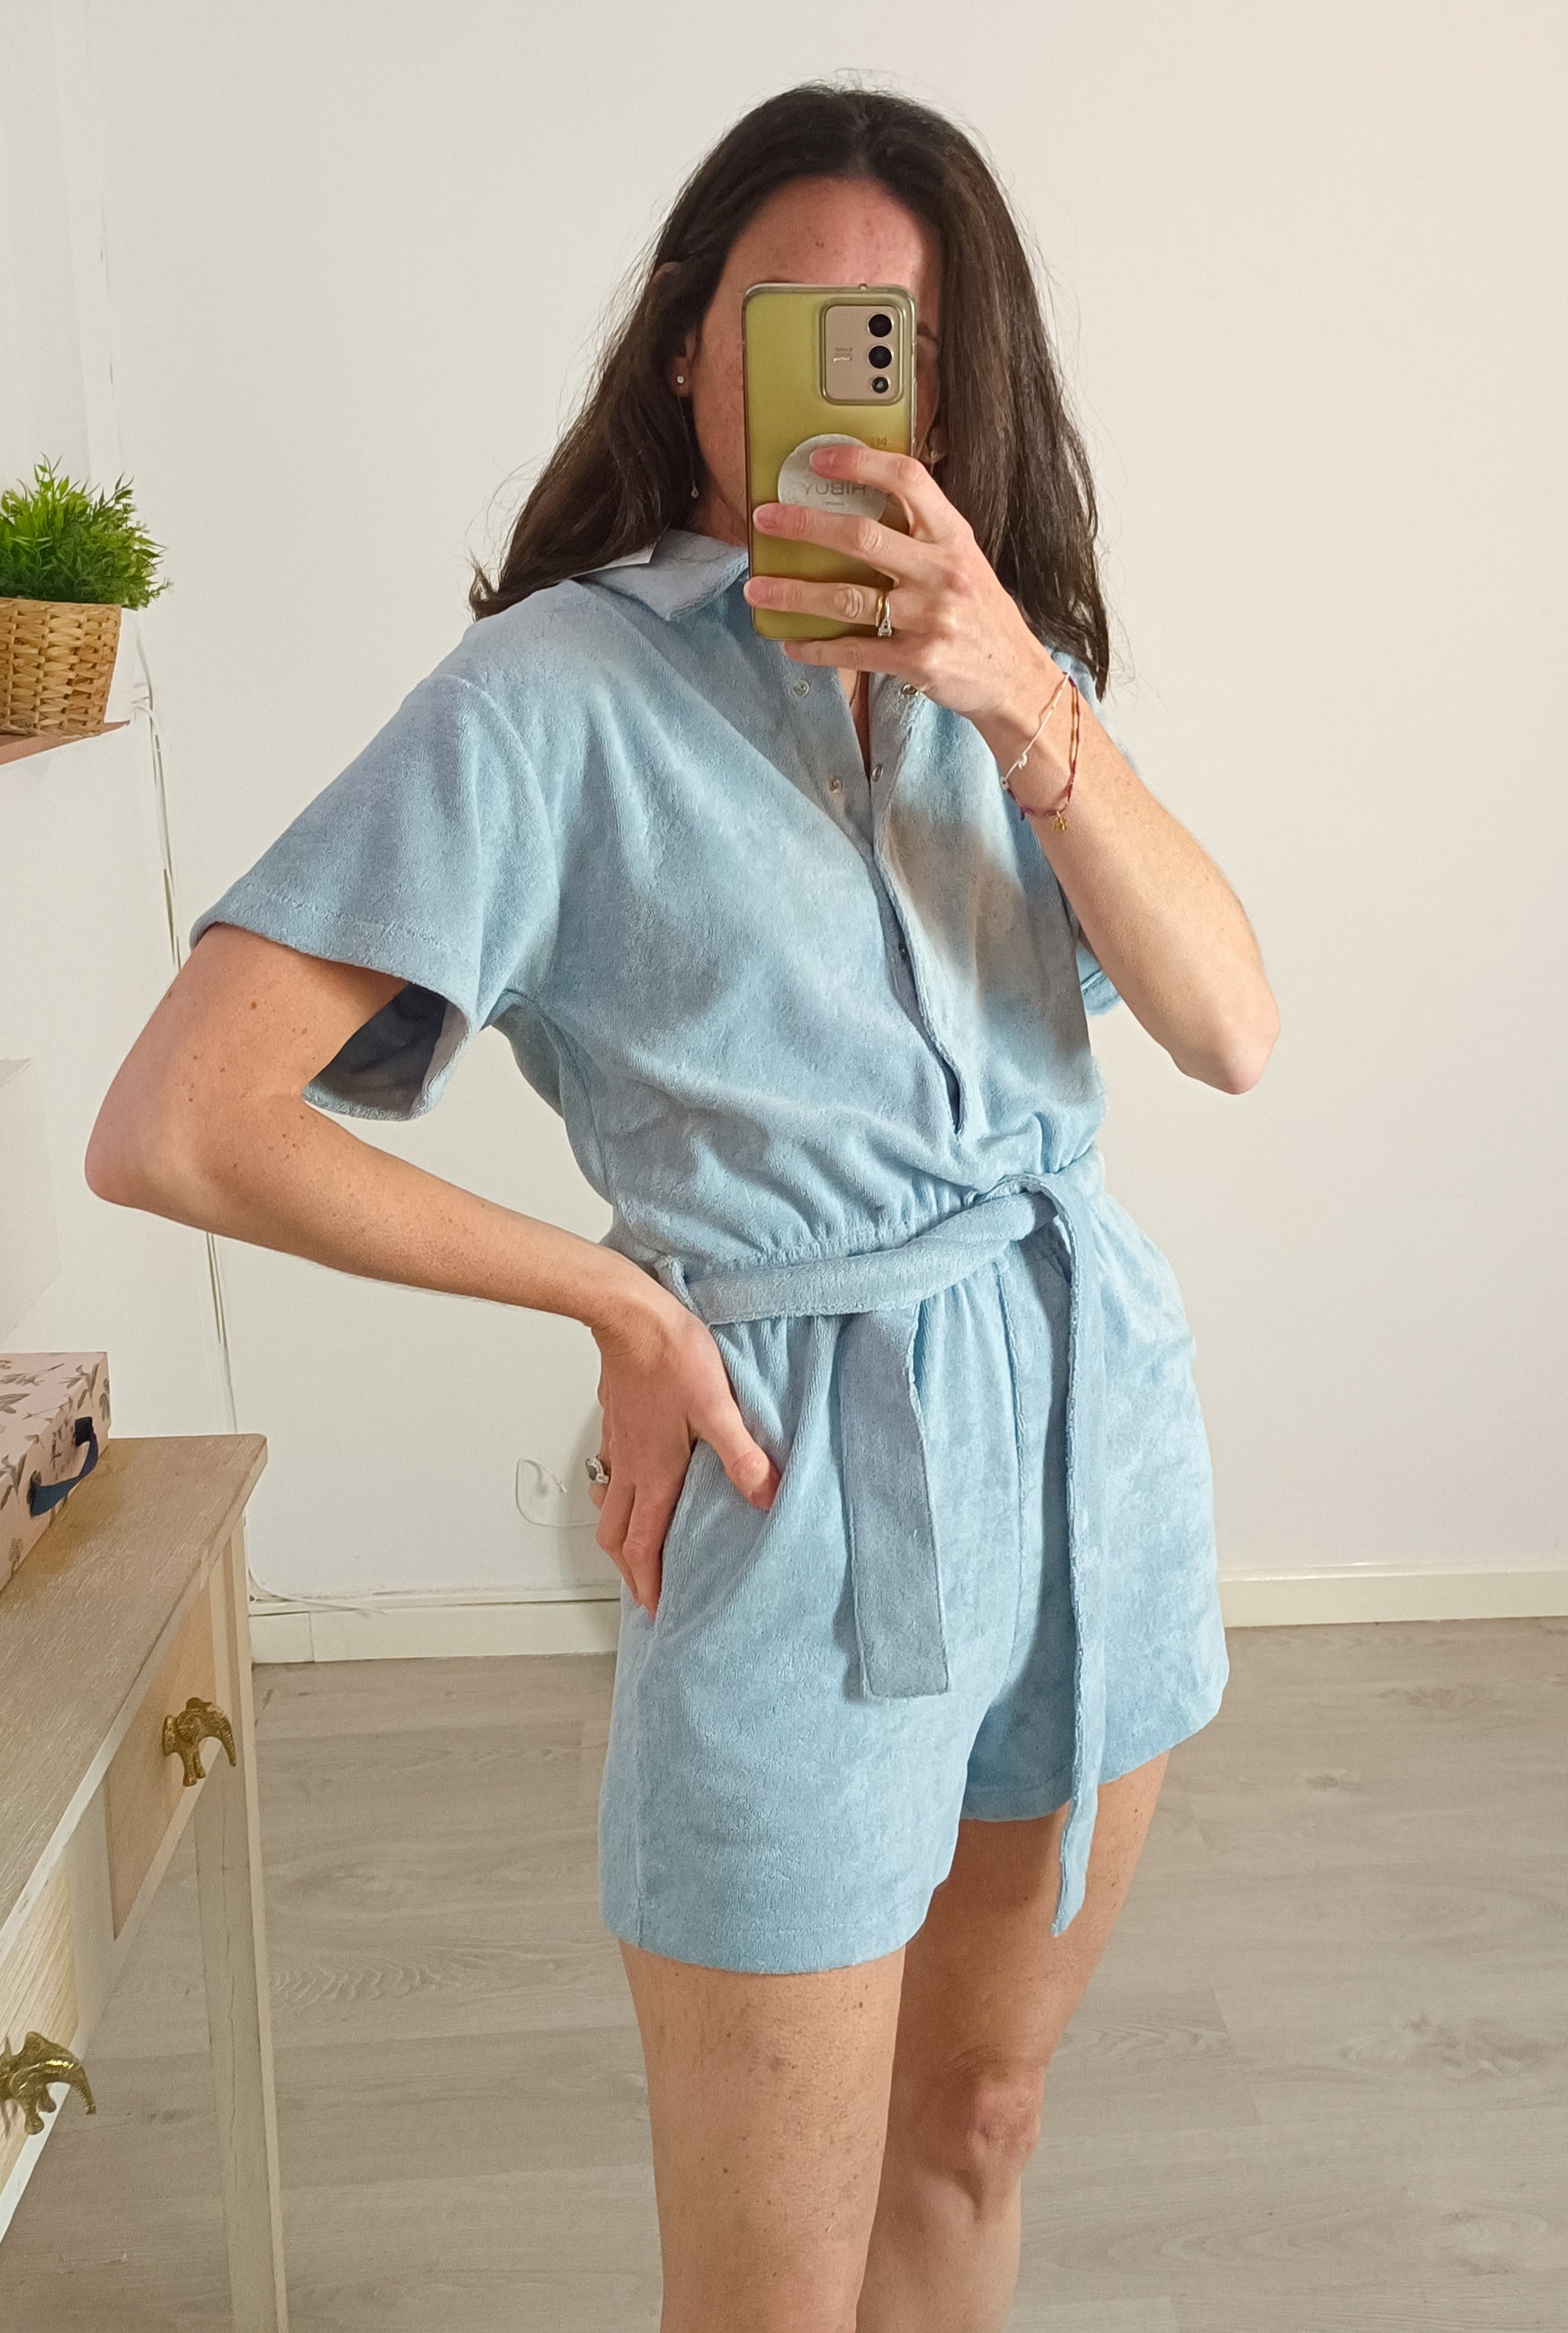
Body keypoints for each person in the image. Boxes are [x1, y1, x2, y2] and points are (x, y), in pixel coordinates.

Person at [87, 78, 1278, 2333]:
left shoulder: (1007, 672)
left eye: (898, 343)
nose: (844, 384)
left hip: (1086, 1440)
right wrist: (619, 1305)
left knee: (981, 2123)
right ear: (683, 347)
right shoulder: (549, 699)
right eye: (791, 320)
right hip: (796, 1481)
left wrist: (1012, 690)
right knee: (766, 2288)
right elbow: (178, 1119)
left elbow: (1227, 1024)